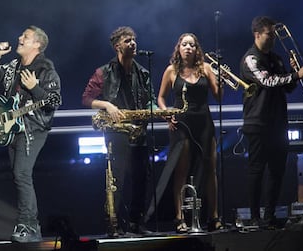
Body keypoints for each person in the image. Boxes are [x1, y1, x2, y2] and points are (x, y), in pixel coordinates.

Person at [0, 25, 61, 242]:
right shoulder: (14, 66)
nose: (19, 38)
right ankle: (30, 225)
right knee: (19, 177)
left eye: (25, 37)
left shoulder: (46, 69)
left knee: (22, 174)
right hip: (13, 127)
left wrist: (35, 87)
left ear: (37, 44)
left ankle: (28, 225)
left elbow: (54, 102)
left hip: (33, 128)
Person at [82, 26, 156, 236]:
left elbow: (150, 99)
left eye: (134, 40)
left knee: (142, 177)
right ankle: (116, 225)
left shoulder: (142, 73)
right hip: (116, 129)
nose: (133, 43)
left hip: (138, 128)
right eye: (127, 41)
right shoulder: (103, 72)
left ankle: (136, 223)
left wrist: (158, 111)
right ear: (117, 46)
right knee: (117, 178)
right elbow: (86, 99)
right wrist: (107, 105)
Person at [240, 16, 303, 228]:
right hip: (257, 122)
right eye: (269, 35)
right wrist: (295, 75)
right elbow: (267, 81)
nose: (273, 39)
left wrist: (292, 72)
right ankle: (254, 216)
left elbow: (287, 88)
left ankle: (269, 215)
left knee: (277, 171)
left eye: (273, 35)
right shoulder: (250, 58)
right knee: (256, 171)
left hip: (278, 123)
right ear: (257, 35)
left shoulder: (277, 58)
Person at [149, 33, 224, 233]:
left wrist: (220, 80)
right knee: (181, 171)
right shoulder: (171, 71)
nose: (188, 47)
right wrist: (166, 115)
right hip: (181, 124)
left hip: (204, 122)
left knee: (210, 168)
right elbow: (161, 98)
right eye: (185, 44)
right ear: (179, 48)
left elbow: (218, 96)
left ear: (196, 49)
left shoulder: (206, 68)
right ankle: (179, 217)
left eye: (192, 44)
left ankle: (214, 216)